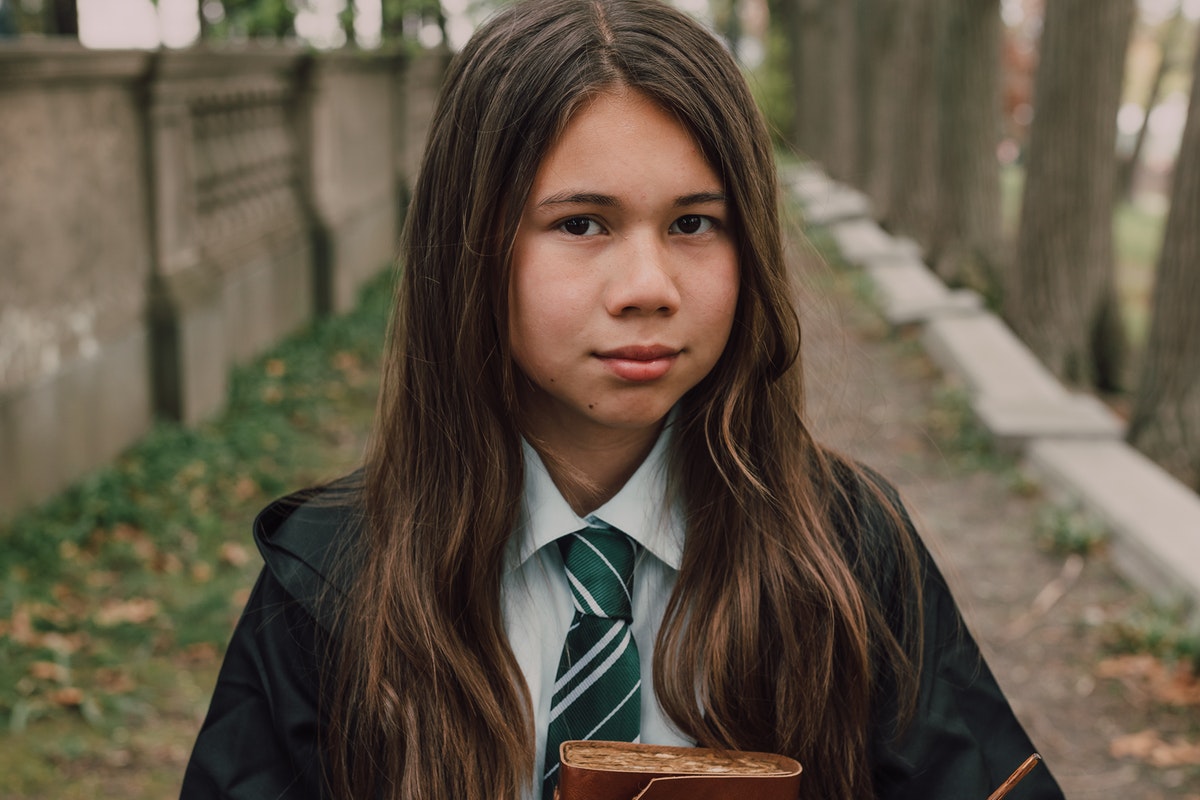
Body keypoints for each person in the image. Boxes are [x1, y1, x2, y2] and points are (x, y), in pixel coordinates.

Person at [180, 1, 1066, 798]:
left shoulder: (846, 552)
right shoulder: (333, 579)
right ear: (471, 248)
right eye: (581, 224)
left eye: (693, 224)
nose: (648, 287)